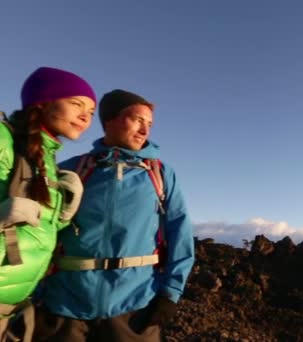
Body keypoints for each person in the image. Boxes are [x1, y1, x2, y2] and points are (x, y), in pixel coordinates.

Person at [35, 89, 195, 342]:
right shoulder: (72, 170)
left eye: (149, 124)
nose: (145, 131)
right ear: (109, 120)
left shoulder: (160, 174)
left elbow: (180, 232)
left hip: (135, 306)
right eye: (137, 120)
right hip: (66, 306)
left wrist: (170, 294)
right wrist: (37, 293)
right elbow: (41, 232)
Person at [0, 67, 96, 342]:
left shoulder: (45, 159)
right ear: (42, 102)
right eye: (76, 104)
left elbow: (27, 228)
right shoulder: (4, 140)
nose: (85, 116)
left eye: (90, 111)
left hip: (13, 307)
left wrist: (62, 217)